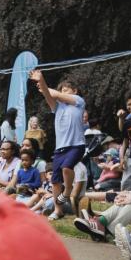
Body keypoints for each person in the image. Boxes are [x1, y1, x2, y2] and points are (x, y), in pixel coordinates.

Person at [29, 69, 87, 220]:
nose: (62, 92)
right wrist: (40, 80)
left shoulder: (79, 102)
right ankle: (58, 210)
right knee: (55, 181)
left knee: (67, 167)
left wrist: (44, 85)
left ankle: (67, 191)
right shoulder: (57, 107)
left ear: (74, 91)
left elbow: (53, 93)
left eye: (66, 90)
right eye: (61, 89)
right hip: (60, 148)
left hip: (76, 145)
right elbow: (49, 95)